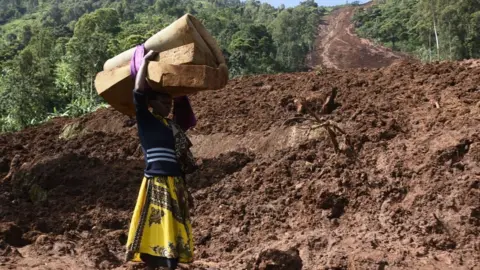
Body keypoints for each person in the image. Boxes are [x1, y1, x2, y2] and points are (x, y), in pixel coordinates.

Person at [125, 49, 197, 270]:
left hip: (175, 182)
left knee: (173, 225)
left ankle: (170, 262)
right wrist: (145, 62)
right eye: (162, 102)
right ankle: (156, 262)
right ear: (151, 103)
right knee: (158, 225)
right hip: (156, 181)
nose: (167, 106)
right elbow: (137, 91)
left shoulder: (171, 126)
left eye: (169, 103)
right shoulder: (146, 121)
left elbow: (183, 117)